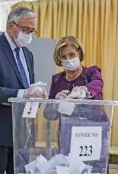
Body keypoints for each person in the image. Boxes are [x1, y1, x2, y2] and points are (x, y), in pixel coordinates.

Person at [0, 7, 47, 174]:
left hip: (22, 133)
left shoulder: (27, 54)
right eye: (26, 29)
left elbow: (26, 86)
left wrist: (36, 92)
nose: (29, 34)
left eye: (32, 30)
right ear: (11, 27)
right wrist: (24, 94)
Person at [44, 35, 109, 173]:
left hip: (93, 134)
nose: (68, 60)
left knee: (94, 169)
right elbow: (49, 114)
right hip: (67, 136)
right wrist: (55, 101)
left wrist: (84, 90)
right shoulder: (57, 79)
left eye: (71, 54)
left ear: (79, 52)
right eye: (63, 57)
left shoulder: (91, 72)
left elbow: (98, 83)